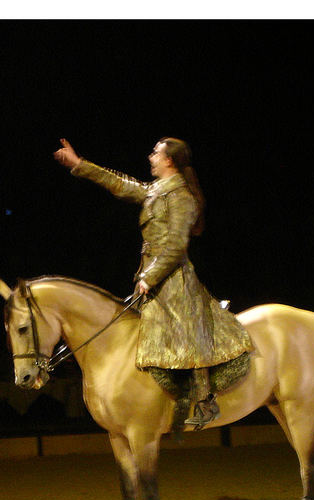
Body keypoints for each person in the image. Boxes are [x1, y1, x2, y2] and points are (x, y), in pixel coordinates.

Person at [53, 137, 252, 427]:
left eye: (155, 153)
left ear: (169, 160)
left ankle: (205, 399)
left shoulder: (182, 197)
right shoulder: (155, 191)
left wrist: (151, 276)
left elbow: (175, 245)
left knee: (186, 331)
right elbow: (119, 184)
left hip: (175, 282)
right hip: (149, 278)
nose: (150, 157)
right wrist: (79, 164)